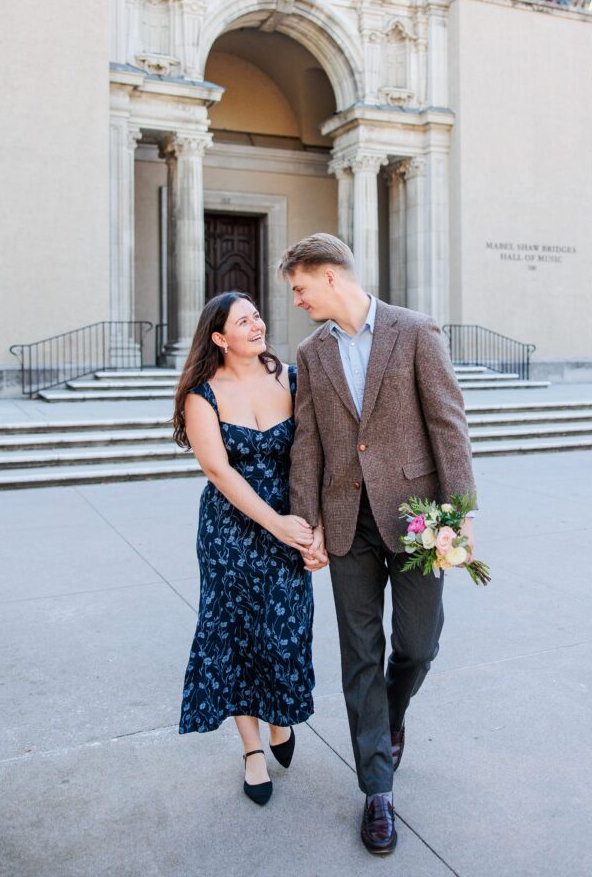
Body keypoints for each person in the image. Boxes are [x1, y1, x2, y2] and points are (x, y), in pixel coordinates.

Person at [280, 234, 477, 854]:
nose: (297, 300)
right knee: (359, 655)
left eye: (300, 287)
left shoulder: (415, 331)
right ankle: (377, 789)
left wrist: (462, 513)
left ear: (331, 276)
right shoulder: (310, 354)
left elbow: (448, 422)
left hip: (418, 520)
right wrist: (306, 522)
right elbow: (307, 441)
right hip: (346, 525)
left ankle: (389, 716)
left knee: (418, 646)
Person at [173, 292, 327, 807]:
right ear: (220, 338)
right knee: (235, 637)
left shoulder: (290, 377)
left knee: (282, 633)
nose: (257, 324)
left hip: (290, 522)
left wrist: (311, 524)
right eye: (244, 320)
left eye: (257, 315)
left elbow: (317, 449)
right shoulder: (202, 395)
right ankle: (252, 751)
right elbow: (218, 470)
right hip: (231, 533)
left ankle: (281, 718)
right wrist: (273, 524)